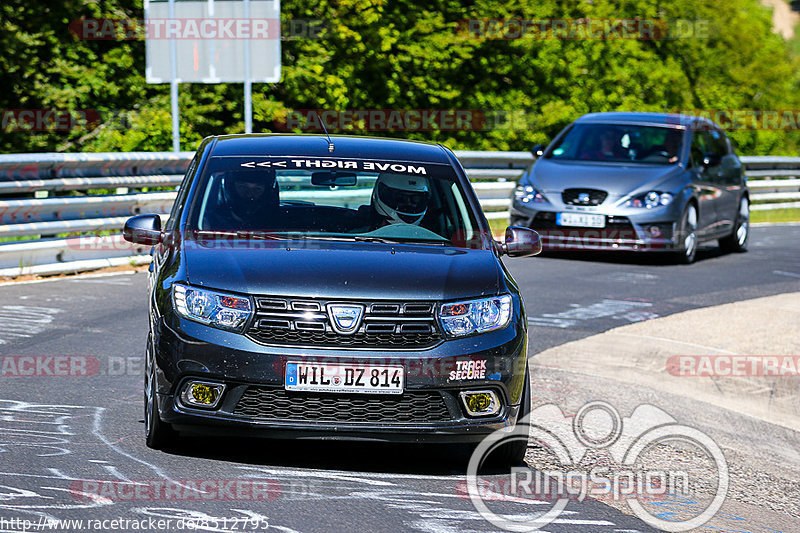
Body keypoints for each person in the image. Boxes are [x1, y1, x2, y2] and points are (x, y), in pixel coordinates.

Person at [204, 170, 280, 231]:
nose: (249, 194)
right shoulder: (209, 222)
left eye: (257, 189)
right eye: (243, 187)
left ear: (267, 192)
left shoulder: (280, 222)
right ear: (231, 189)